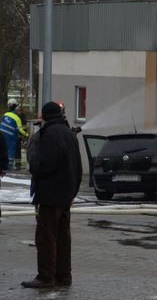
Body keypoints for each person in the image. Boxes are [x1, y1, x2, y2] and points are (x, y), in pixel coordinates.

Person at [21, 102, 82, 288]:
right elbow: (78, 167)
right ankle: (64, 277)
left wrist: (34, 167)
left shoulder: (50, 134)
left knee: (46, 238)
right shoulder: (69, 134)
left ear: (46, 116)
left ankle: (46, 277)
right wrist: (73, 192)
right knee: (63, 239)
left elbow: (46, 164)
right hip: (66, 195)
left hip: (50, 195)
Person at [0, 99, 28, 170]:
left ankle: (5, 166)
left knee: (3, 150)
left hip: (2, 136)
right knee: (11, 152)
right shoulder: (17, 117)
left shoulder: (5, 114)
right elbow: (20, 129)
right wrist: (27, 135)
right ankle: (9, 167)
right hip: (12, 138)